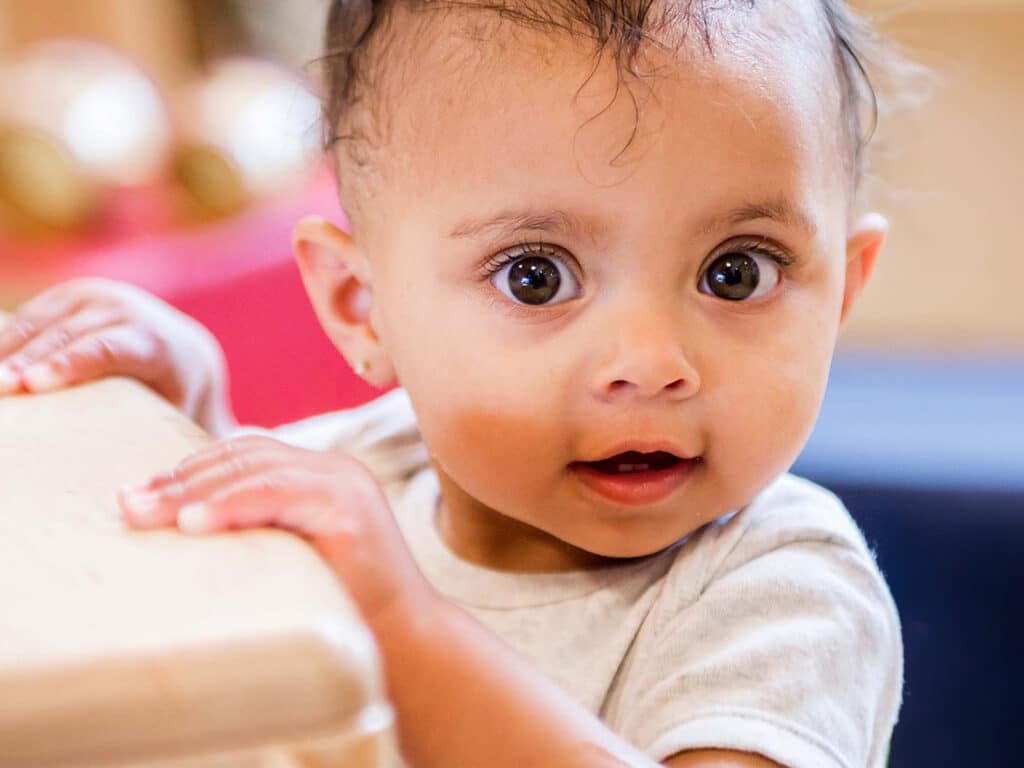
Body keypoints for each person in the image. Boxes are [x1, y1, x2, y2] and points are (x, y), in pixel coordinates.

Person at [0, 1, 905, 766]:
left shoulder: (784, 594)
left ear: (843, 290)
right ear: (362, 306)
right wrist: (193, 427)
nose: (652, 361)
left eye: (736, 272)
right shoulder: (376, 464)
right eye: (537, 276)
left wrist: (403, 625)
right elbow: (253, 624)